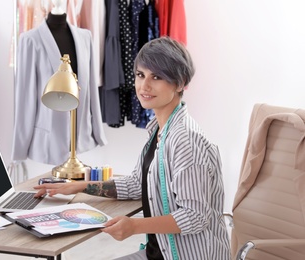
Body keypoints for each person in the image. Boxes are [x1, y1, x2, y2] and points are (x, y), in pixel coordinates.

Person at [34, 36, 230, 260]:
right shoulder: (159, 129)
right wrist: (80, 186)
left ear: (179, 83)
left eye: (156, 77)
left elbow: (195, 217)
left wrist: (134, 226)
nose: (144, 86)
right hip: (160, 252)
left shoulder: (185, 141)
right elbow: (137, 184)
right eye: (140, 75)